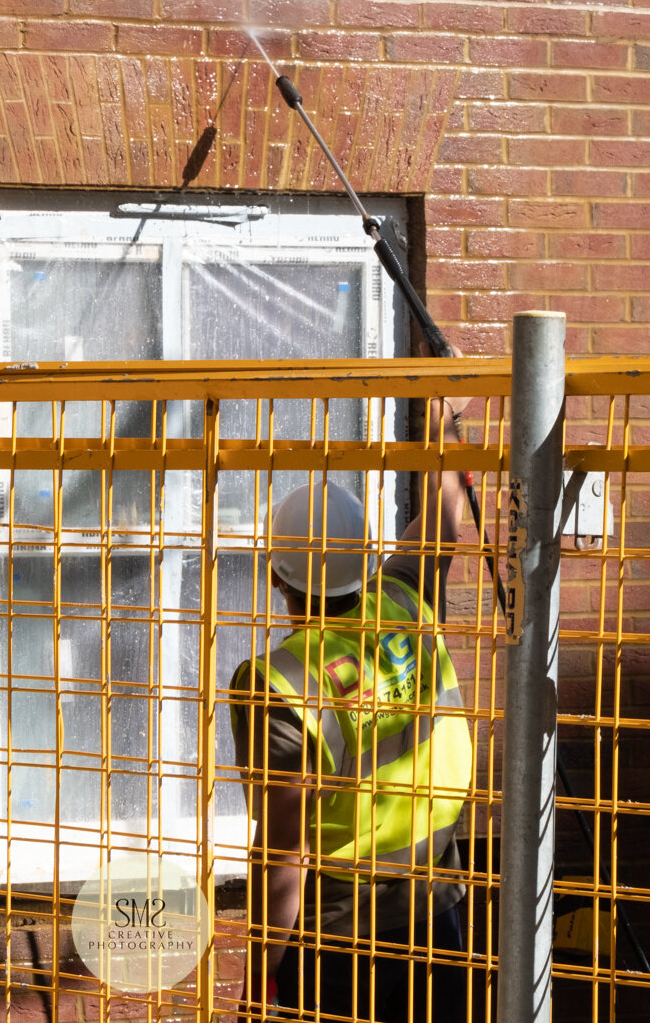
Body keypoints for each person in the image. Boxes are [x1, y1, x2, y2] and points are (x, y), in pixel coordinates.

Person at [228, 403, 476, 1023]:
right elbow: (446, 523)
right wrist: (445, 428)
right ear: (366, 560)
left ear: (276, 577)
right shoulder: (404, 597)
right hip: (438, 908)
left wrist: (261, 971)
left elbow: (283, 854)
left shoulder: (278, 683)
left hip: (342, 942)